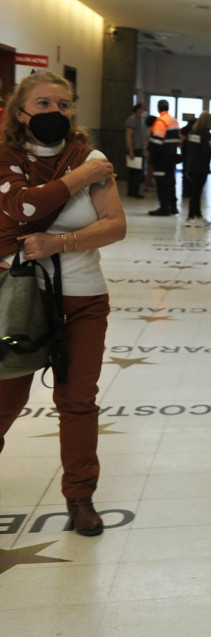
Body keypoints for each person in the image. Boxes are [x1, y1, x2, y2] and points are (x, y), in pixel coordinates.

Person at [0, 71, 126, 536]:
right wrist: (81, 179)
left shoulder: (90, 157)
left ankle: (80, 497)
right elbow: (23, 209)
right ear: (20, 113)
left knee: (77, 400)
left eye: (64, 104)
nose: (55, 112)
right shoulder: (9, 158)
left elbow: (115, 225)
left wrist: (60, 243)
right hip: (19, 296)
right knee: (6, 396)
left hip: (83, 297)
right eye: (44, 104)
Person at [146, 99, 180, 216]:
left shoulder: (160, 121)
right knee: (171, 181)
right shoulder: (173, 120)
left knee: (162, 182)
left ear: (158, 108)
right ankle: (173, 207)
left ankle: (164, 207)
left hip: (161, 157)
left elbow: (157, 141)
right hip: (171, 156)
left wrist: (151, 154)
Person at [183, 112, 211, 227]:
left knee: (195, 191)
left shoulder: (192, 133)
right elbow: (206, 151)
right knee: (196, 192)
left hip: (191, 166)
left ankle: (198, 215)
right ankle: (191, 216)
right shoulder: (206, 135)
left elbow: (186, 149)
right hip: (201, 167)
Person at [124, 102, 146, 199]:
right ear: (137, 109)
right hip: (135, 148)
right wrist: (131, 150)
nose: (143, 110)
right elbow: (129, 135)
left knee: (137, 171)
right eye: (142, 108)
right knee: (134, 171)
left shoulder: (140, 119)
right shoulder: (132, 119)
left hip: (139, 147)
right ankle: (133, 191)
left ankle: (134, 190)